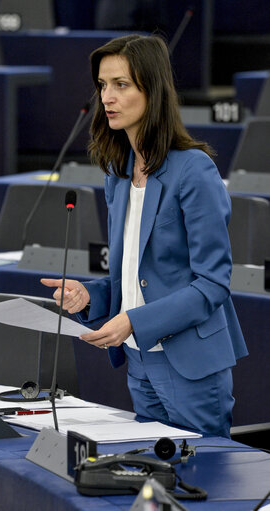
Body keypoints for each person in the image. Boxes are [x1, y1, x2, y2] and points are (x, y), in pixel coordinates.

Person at [41, 34, 248, 438]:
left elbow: (212, 285)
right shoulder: (117, 174)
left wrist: (132, 322)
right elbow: (133, 273)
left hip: (190, 364)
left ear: (152, 91)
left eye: (121, 85)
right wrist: (91, 296)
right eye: (103, 85)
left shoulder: (193, 170)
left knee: (200, 486)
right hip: (138, 361)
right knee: (156, 482)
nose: (107, 97)